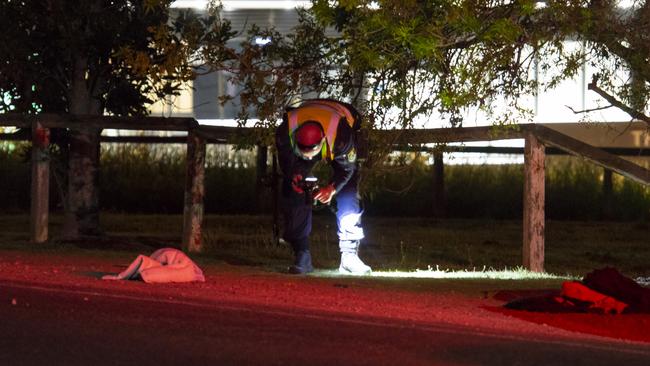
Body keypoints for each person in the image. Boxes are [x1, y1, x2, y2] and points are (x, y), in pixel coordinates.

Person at [275, 99, 372, 275]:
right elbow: (287, 166)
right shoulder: (284, 132)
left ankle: (349, 256)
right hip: (309, 115)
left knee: (348, 191)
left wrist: (332, 188)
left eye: (310, 152)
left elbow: (346, 170)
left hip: (343, 119)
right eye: (302, 150)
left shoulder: (342, 136)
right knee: (294, 188)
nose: (307, 156)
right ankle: (301, 253)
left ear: (321, 143)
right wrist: (298, 180)